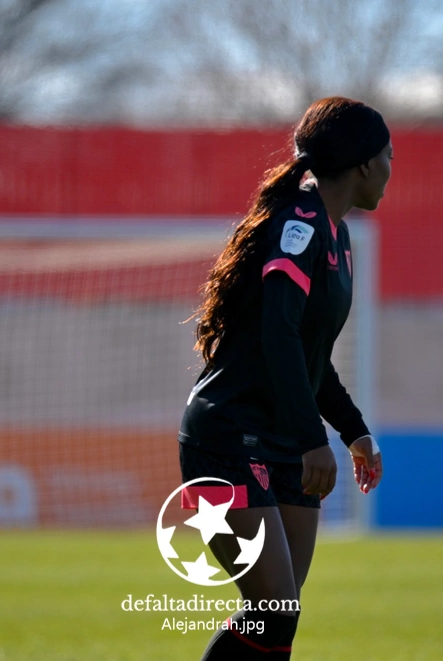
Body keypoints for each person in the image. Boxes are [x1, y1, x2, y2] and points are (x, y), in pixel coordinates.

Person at [178, 96, 391, 660]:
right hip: (226, 437)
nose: (393, 170)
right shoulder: (298, 222)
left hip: (281, 438)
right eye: (390, 157)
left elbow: (307, 357)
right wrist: (310, 438)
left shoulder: (337, 236)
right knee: (274, 603)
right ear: (365, 164)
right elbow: (277, 333)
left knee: (277, 616)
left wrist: (353, 431)